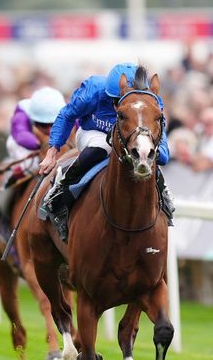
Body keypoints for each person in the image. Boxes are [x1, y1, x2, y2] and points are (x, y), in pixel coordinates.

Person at [38, 63, 172, 241]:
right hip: (94, 133)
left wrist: (160, 151)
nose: (118, 106)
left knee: (147, 154)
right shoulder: (93, 89)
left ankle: (164, 198)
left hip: (132, 137)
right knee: (103, 148)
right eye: (116, 101)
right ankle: (61, 188)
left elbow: (158, 133)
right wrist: (52, 152)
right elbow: (67, 115)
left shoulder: (150, 99)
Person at [0, 87, 65, 233]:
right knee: (28, 166)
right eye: (43, 124)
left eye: (53, 124)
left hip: (51, 147)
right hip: (25, 146)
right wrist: (43, 146)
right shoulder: (22, 112)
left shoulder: (64, 109)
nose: (49, 129)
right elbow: (21, 134)